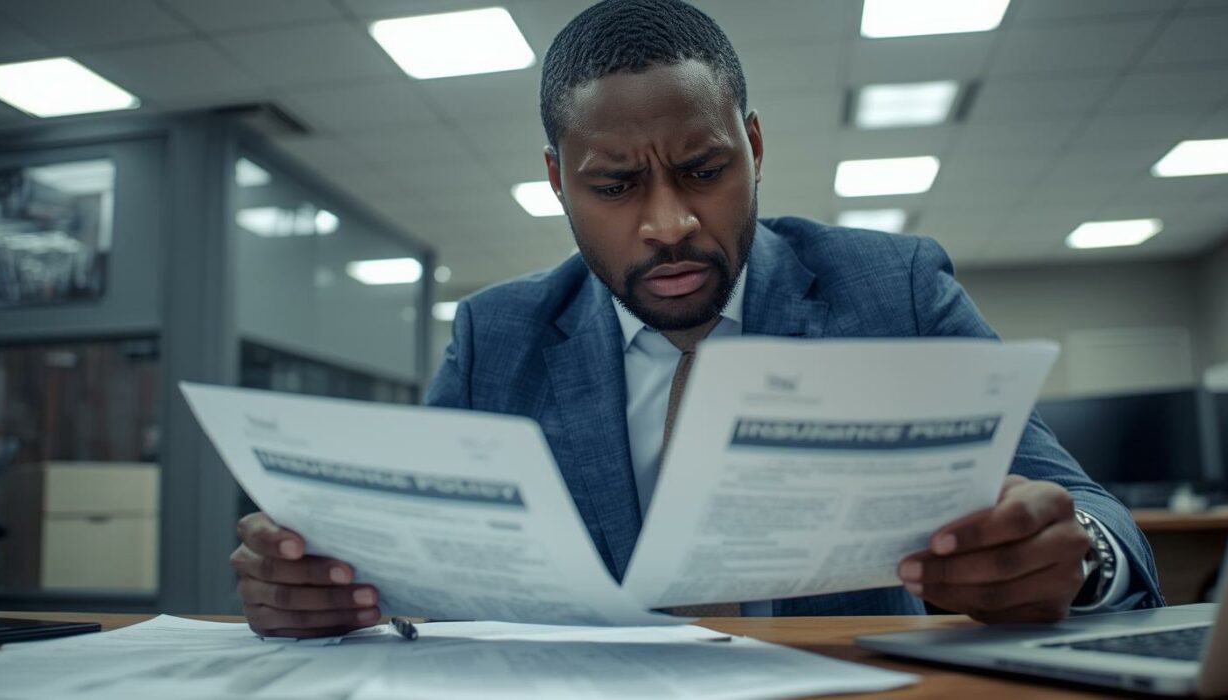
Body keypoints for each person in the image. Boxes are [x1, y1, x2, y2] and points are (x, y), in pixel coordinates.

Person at [230, 0, 1164, 638]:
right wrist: (325, 590)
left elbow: (1094, 515)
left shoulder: (896, 290)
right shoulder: (495, 340)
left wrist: (1072, 556)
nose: (670, 222)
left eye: (705, 170)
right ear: (559, 180)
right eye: (615, 184)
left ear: (753, 146)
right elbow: (405, 578)